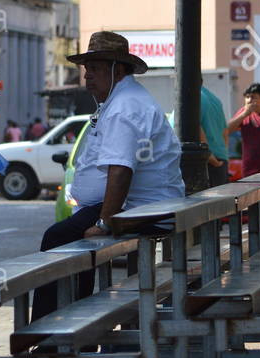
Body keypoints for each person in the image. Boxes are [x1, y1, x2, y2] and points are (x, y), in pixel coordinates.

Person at [34, 32, 183, 320]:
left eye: (97, 68)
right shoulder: (125, 99)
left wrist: (105, 222)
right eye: (87, 69)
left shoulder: (124, 108)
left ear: (120, 69)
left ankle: (51, 330)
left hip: (143, 209)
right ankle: (74, 326)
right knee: (70, 237)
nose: (88, 76)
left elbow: (121, 170)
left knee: (58, 237)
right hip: (146, 206)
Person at [198, 85, 229, 186]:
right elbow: (225, 132)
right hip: (221, 159)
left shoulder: (194, 97)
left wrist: (212, 158)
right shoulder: (215, 100)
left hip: (208, 161)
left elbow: (195, 127)